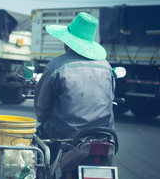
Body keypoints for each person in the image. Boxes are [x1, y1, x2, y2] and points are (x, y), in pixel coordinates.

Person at [34, 12, 115, 144]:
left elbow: (42, 108)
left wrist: (42, 118)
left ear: (67, 42)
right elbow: (110, 97)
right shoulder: (106, 67)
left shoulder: (57, 65)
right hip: (103, 132)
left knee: (36, 145)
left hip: (63, 132)